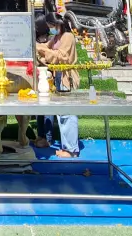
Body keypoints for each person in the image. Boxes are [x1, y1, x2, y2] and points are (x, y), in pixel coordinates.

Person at [34, 13, 80, 158]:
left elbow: (62, 57)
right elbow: (44, 47)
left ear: (58, 23)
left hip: (66, 76)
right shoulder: (55, 38)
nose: (50, 29)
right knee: (59, 112)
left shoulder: (68, 37)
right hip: (56, 76)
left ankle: (71, 149)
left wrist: (43, 51)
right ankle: (54, 141)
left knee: (67, 113)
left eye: (51, 25)